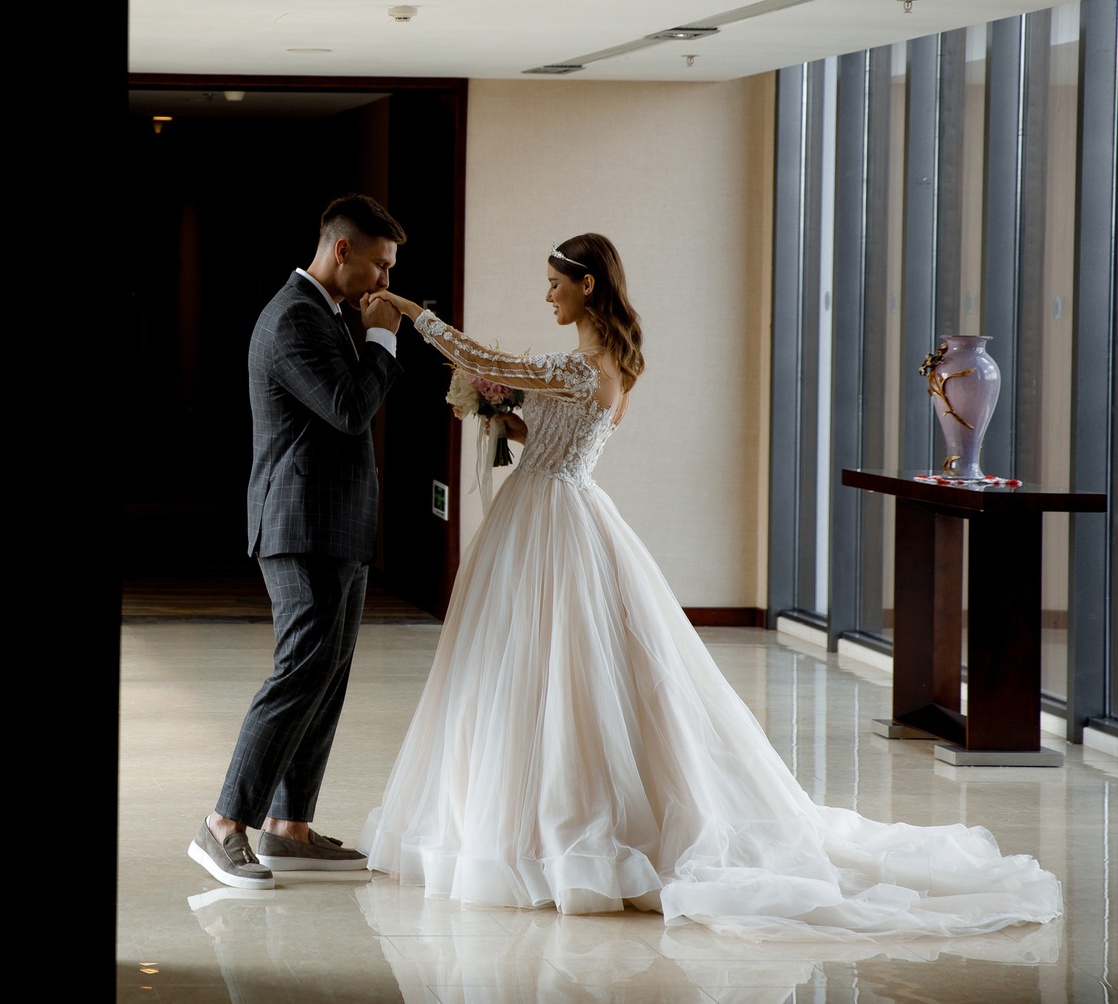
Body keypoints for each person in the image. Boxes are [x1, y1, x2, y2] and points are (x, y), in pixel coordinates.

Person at [357, 233, 1061, 940]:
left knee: (556, 672)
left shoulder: (584, 366)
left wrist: (409, 312)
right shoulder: (603, 366)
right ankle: (524, 817)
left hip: (549, 519)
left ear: (588, 285)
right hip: (550, 512)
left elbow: (486, 360)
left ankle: (558, 829)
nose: (547, 296)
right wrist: (500, 417)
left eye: (554, 283)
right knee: (529, 671)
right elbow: (542, 425)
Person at [187, 195, 407, 890]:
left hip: (336, 526)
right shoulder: (292, 317)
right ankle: (223, 824)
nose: (386, 280)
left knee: (326, 677)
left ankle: (289, 827)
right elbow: (348, 409)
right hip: (301, 525)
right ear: (342, 249)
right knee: (299, 672)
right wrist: (383, 341)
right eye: (380, 263)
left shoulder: (329, 314)